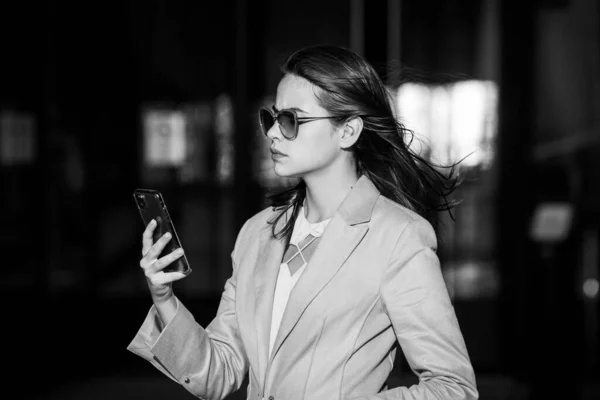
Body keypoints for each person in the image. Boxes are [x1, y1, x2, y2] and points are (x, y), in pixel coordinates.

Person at [128, 44, 478, 400]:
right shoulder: (258, 232)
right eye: (272, 118)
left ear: (348, 132)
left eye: (291, 120)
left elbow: (452, 388)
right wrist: (164, 298)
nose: (273, 134)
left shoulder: (398, 236)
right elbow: (219, 373)